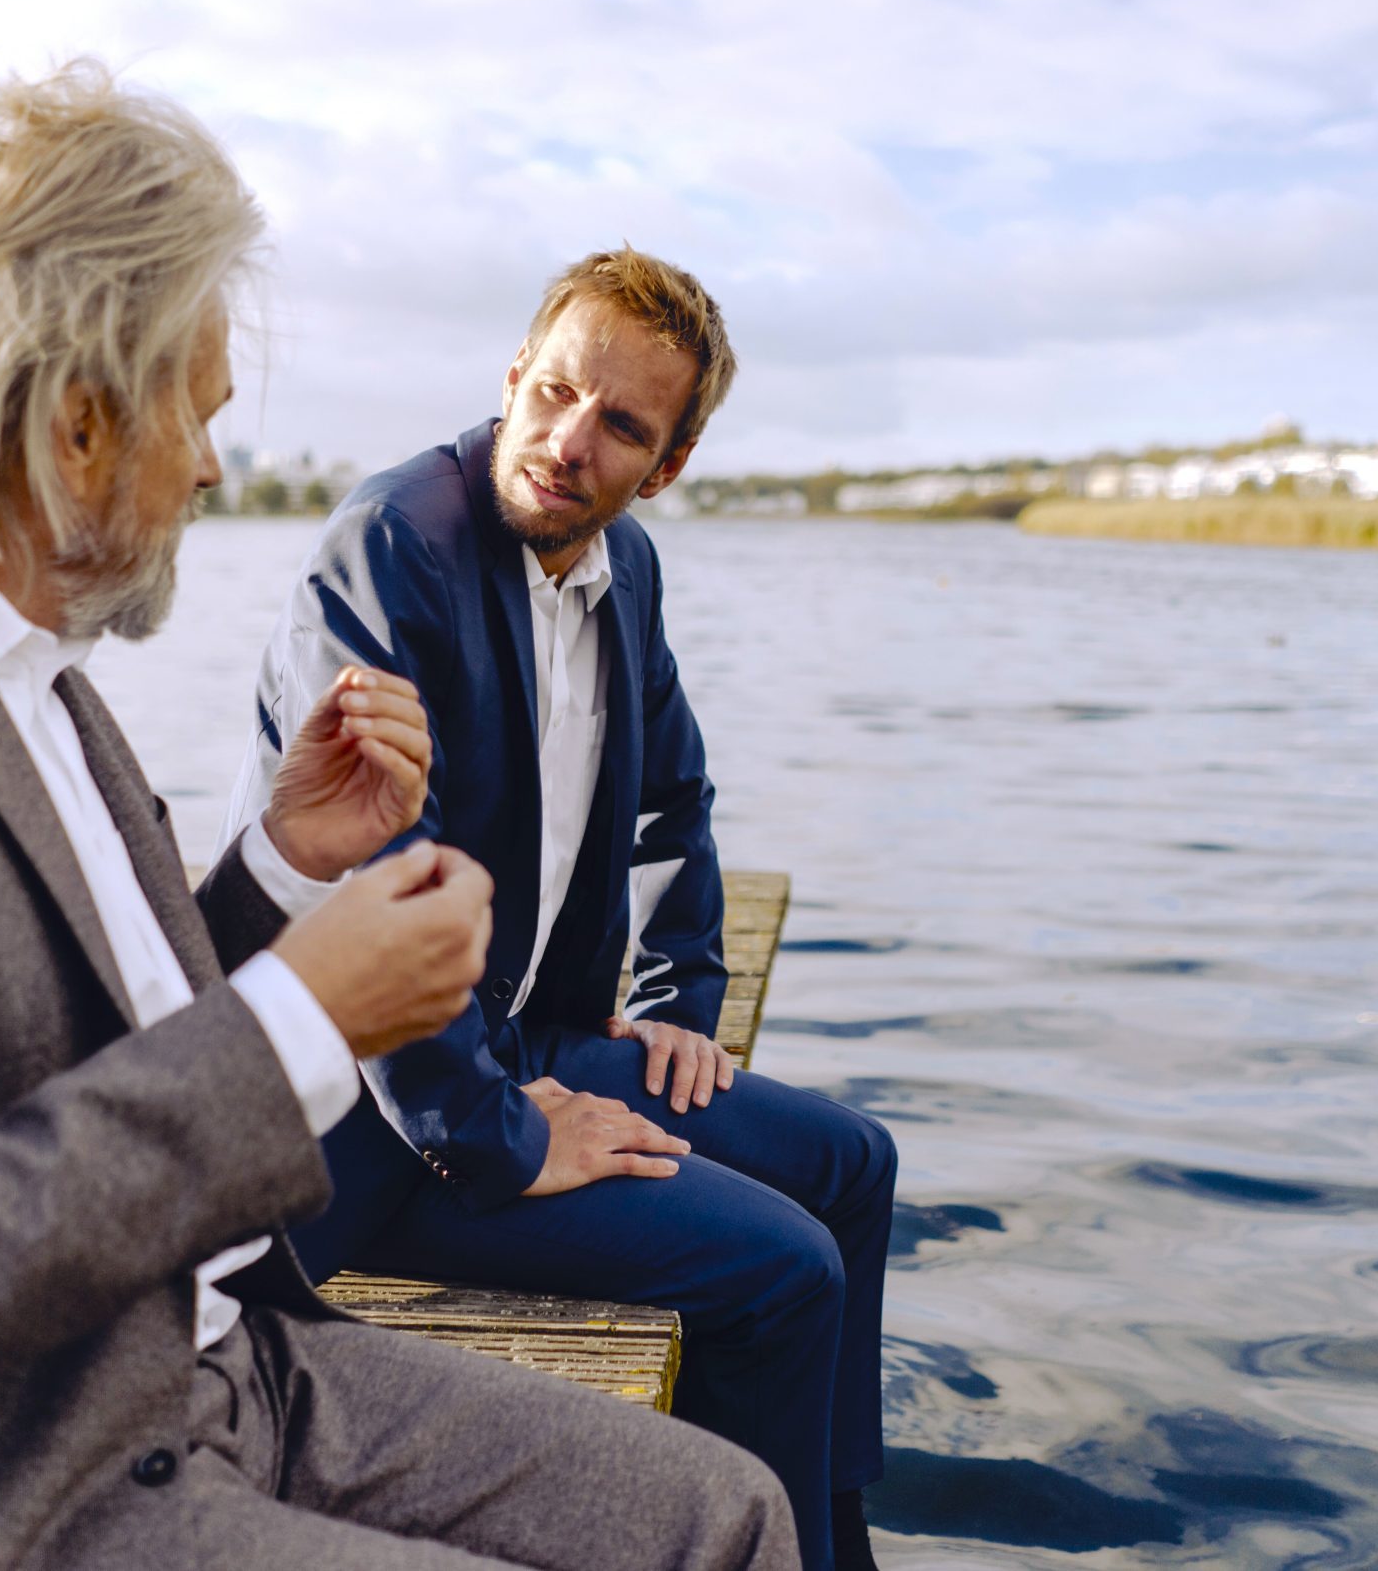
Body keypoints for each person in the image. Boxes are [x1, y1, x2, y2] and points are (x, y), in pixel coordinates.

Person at [0, 64, 796, 1571]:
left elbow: (75, 1037)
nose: (216, 468)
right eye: (201, 410)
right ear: (81, 419)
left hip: (199, 1367)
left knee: (731, 1520)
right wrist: (306, 1016)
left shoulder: (40, 688)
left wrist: (283, 873)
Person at [215, 249, 896, 1571]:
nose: (569, 442)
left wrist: (676, 1001)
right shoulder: (394, 544)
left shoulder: (623, 572)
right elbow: (371, 883)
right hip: (378, 1119)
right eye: (557, 393)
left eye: (622, 426)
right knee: (782, 1271)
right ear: (514, 375)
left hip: (532, 1035)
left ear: (668, 464)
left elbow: (672, 799)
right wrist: (507, 1137)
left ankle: (837, 1545)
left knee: (854, 1167)